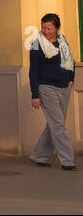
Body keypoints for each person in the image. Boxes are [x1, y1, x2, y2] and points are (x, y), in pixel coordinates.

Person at [29, 13, 75, 170]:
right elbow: (32, 71)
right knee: (59, 126)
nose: (45, 31)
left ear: (57, 28)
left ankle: (38, 155)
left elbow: (69, 60)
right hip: (46, 88)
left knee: (54, 125)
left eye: (49, 28)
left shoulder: (63, 41)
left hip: (64, 88)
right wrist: (35, 95)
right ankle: (68, 161)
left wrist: (71, 79)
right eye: (43, 27)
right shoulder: (37, 44)